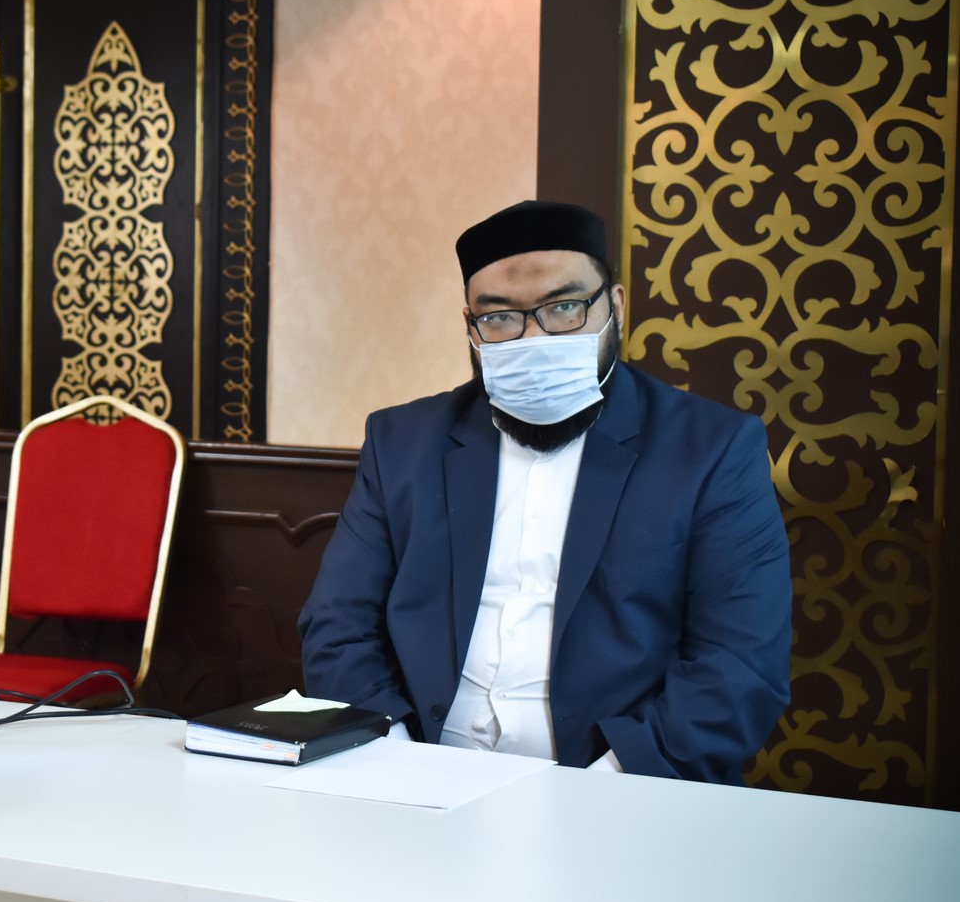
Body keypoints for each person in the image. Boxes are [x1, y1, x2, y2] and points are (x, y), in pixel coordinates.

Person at [298, 200, 791, 783]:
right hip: (415, 772)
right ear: (470, 326)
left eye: (564, 307)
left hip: (614, 787)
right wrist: (397, 760)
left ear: (615, 307)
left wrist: (602, 789)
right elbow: (337, 628)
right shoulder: (402, 442)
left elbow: (739, 666)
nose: (534, 337)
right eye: (500, 317)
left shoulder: (712, 451)